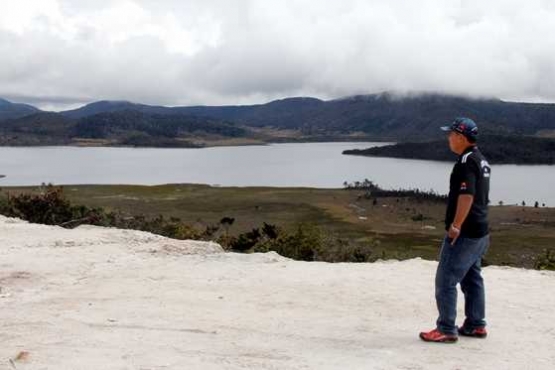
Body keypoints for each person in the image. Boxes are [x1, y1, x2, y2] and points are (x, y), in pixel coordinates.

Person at [419, 117, 491, 343]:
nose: (448, 138)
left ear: (460, 137)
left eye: (450, 134)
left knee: (446, 279)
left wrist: (456, 225)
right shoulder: (481, 160)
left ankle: (446, 328)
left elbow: (467, 195)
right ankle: (475, 324)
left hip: (466, 232)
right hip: (481, 231)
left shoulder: (465, 162)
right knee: (472, 278)